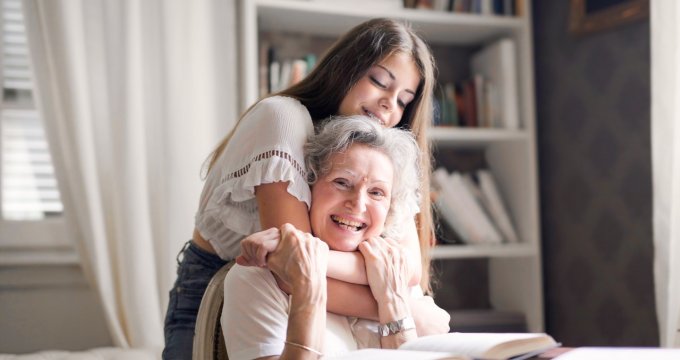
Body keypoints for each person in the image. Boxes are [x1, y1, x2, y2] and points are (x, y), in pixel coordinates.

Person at [162, 18, 445, 360]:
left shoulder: (380, 151)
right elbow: (292, 268)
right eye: (379, 82)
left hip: (317, 297)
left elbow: (409, 267)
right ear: (344, 70)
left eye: (404, 100)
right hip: (223, 290)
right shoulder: (283, 119)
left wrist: (391, 294)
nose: (389, 105)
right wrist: (405, 311)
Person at [223, 116, 424, 359]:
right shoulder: (258, 278)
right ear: (309, 186)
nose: (358, 204)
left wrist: (394, 304)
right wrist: (308, 287)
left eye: (376, 192)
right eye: (342, 182)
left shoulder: (395, 279)